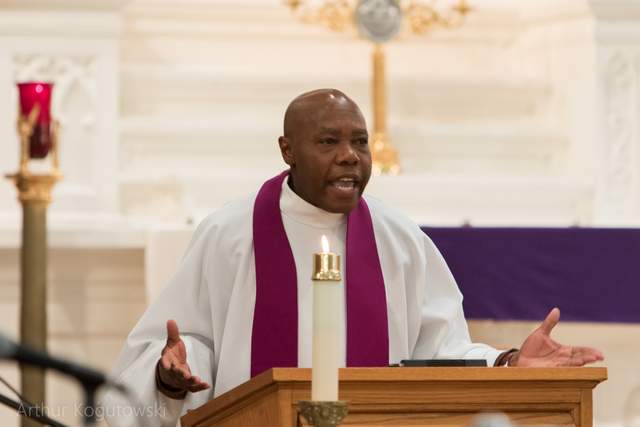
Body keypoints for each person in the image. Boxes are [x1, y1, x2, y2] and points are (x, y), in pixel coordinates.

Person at [103, 89, 604, 426]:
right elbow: (184, 347)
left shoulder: (398, 239)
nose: (350, 155)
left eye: (360, 142)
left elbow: (437, 353)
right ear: (287, 150)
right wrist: (169, 376)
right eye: (329, 142)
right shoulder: (229, 235)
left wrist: (507, 363)